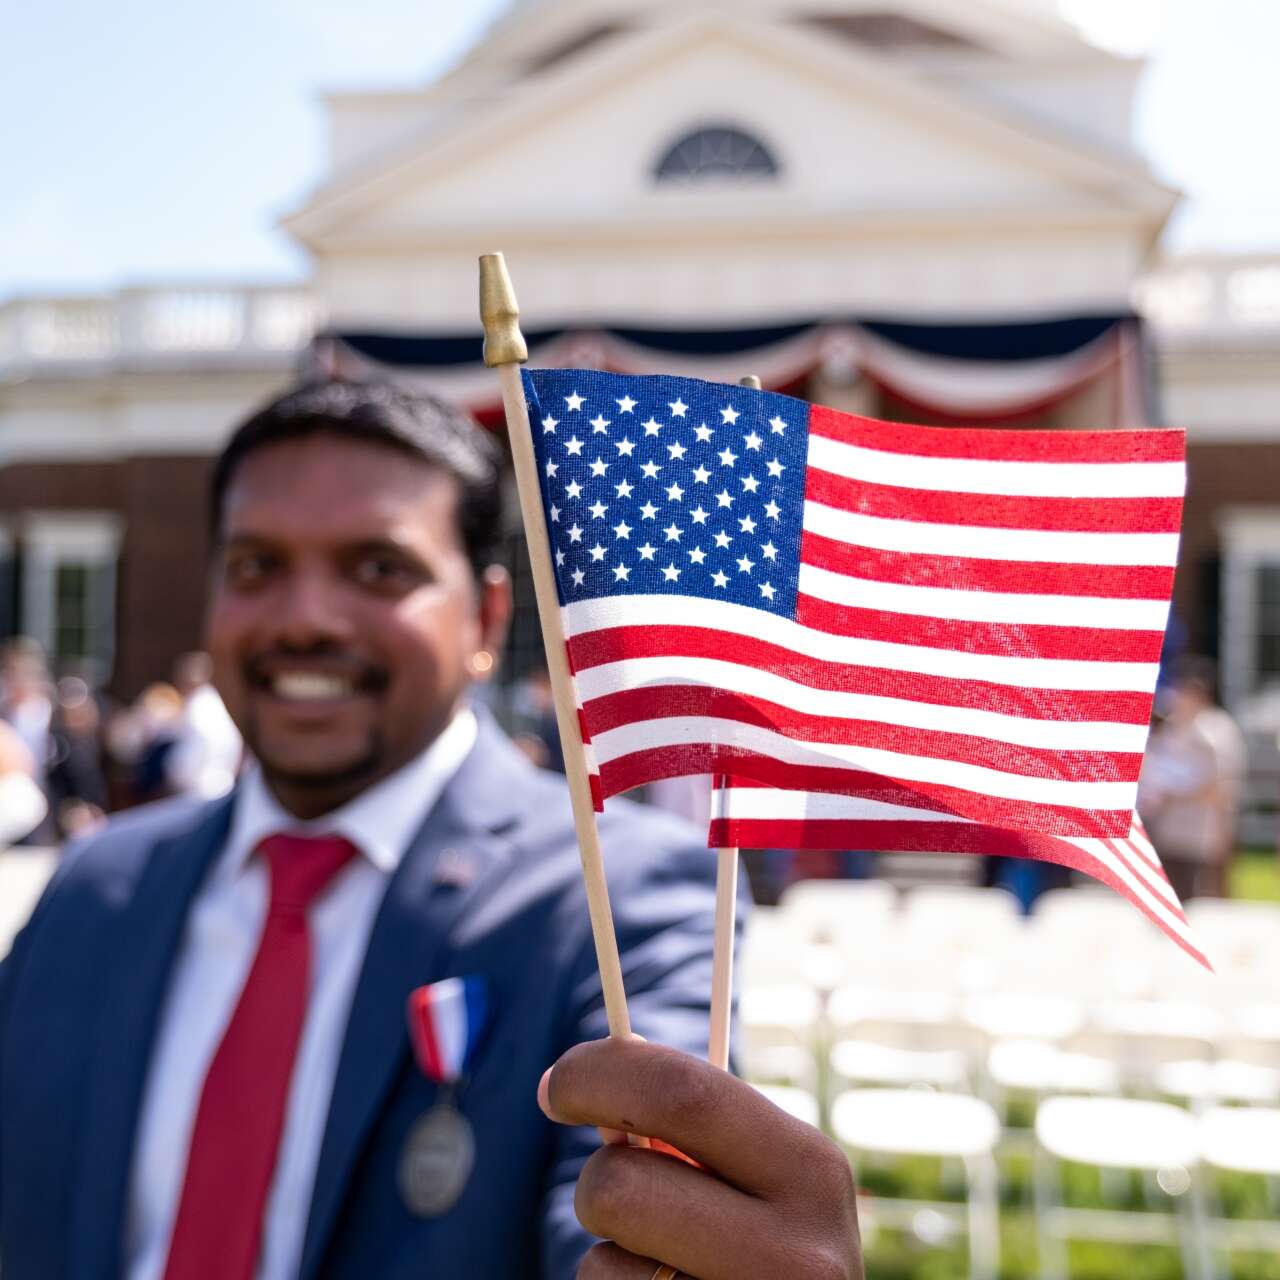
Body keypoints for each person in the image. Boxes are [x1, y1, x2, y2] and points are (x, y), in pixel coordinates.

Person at [0, 379, 862, 1280]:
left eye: (379, 569)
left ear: (487, 618)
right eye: (258, 567)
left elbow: (626, 1228)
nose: (304, 619)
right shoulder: (95, 887)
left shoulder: (616, 904)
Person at [1138, 655, 1247, 902]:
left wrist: (1178, 795)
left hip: (1204, 834)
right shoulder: (1172, 725)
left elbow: (1222, 788)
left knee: (1206, 902)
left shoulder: (1218, 730)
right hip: (1170, 832)